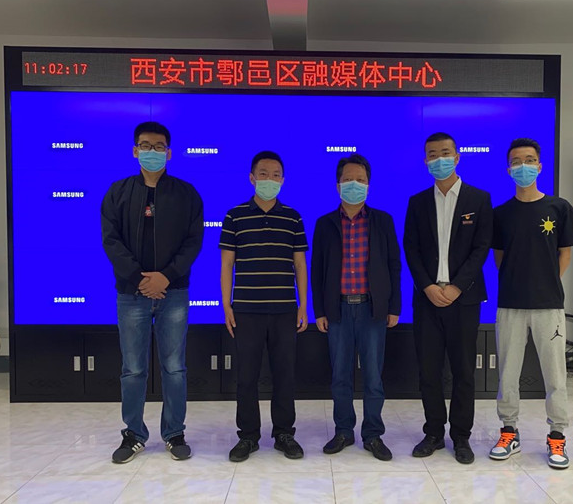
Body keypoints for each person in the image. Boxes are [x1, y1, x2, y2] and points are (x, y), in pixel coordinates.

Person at [101, 121, 204, 464]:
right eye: (146, 145)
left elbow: (193, 242)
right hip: (131, 294)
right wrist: (139, 279)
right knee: (133, 369)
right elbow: (111, 241)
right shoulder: (118, 192)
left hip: (174, 292)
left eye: (159, 146)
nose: (152, 151)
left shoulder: (186, 194)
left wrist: (166, 277)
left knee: (174, 368)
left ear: (169, 153)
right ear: (135, 151)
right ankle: (133, 434)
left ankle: (174, 433)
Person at [489, 138, 573, 469]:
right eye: (516, 161)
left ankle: (557, 436)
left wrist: (544, 282)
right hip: (510, 305)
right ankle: (509, 431)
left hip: (549, 306)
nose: (523, 166)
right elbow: (499, 257)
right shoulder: (500, 214)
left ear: (539, 166)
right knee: (508, 374)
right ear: (508, 169)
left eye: (529, 160)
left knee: (555, 376)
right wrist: (519, 282)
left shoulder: (559, 208)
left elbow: (564, 254)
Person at [403, 132, 492, 464]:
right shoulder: (417, 202)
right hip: (427, 299)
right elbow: (411, 248)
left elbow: (481, 248)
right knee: (429, 371)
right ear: (425, 160)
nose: (438, 159)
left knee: (463, 371)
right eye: (432, 154)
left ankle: (461, 436)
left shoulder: (478, 199)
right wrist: (428, 286)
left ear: (457, 157)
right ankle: (433, 433)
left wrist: (457, 287)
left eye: (444, 153)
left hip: (463, 300)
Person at [219, 151, 309, 462]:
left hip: (285, 310)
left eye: (276, 175)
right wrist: (227, 305)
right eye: (263, 173)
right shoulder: (235, 216)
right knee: (247, 376)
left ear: (283, 180)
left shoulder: (293, 217)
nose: (269, 179)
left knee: (285, 374)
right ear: (251, 177)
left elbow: (300, 264)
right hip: (246, 310)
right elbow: (227, 264)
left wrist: (303, 306)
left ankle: (284, 433)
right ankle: (248, 436)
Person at [311, 154, 401, 461]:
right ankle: (343, 431)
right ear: (338, 185)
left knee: (373, 377)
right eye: (348, 179)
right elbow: (317, 270)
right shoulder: (324, 224)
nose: (354, 185)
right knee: (340, 376)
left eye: (360, 180)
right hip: (337, 310)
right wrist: (320, 311)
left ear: (369, 184)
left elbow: (394, 266)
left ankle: (373, 434)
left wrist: (394, 306)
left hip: (372, 310)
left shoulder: (383, 221)